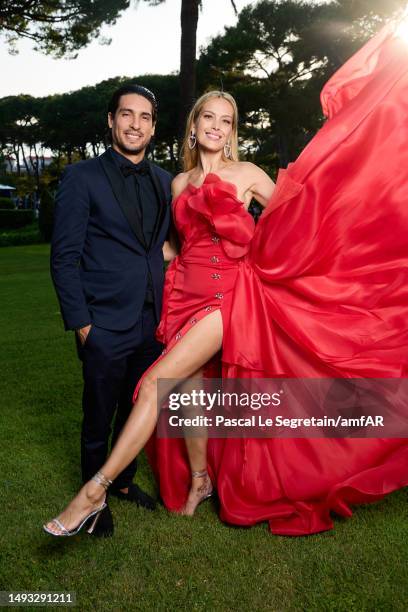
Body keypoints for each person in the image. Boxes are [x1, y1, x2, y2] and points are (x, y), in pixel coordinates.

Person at [44, 21, 408, 537]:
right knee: (191, 391)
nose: (217, 126)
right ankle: (199, 480)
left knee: (154, 384)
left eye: (227, 120)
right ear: (193, 127)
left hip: (226, 296)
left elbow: (295, 222)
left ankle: (91, 493)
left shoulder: (251, 175)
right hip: (183, 296)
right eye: (208, 118)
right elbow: (174, 246)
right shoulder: (175, 182)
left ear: (233, 130)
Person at [49, 84, 172, 537]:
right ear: (111, 120)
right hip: (102, 322)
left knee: (136, 407)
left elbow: (165, 248)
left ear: (154, 127)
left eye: (144, 117)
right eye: (126, 114)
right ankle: (92, 500)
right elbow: (64, 257)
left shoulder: (165, 181)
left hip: (151, 321)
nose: (135, 124)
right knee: (98, 414)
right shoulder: (81, 177)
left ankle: (121, 483)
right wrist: (82, 324)